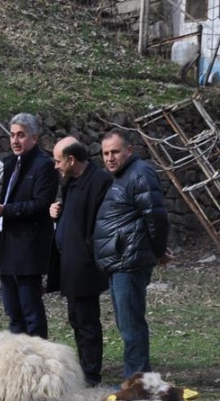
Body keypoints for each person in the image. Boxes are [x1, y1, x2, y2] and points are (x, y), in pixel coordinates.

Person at [0, 112, 58, 339]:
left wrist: (5, 210)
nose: (15, 141)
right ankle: (18, 360)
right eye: (12, 135)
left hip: (28, 249)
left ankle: (40, 357)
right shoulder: (10, 164)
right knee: (13, 312)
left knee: (31, 311)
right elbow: (7, 200)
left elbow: (41, 205)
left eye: (21, 135)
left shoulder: (44, 166)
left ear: (34, 138)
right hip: (7, 245)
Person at [92, 130, 171, 379]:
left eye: (115, 152)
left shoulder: (140, 173)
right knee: (126, 324)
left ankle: (136, 381)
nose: (110, 158)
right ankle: (136, 379)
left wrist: (157, 252)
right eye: (105, 153)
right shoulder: (122, 177)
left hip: (130, 261)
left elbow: (157, 217)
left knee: (131, 325)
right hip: (120, 261)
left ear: (130, 150)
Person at [48, 137, 113, 387]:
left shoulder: (100, 182)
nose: (55, 166)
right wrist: (58, 213)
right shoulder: (72, 183)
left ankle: (91, 374)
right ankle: (85, 370)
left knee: (87, 321)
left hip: (85, 264)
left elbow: (102, 222)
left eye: (58, 160)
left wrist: (88, 250)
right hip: (71, 263)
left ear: (71, 159)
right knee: (77, 319)